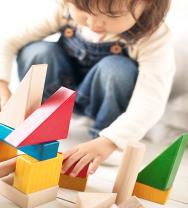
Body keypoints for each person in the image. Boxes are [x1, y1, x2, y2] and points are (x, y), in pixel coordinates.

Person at [0, 0, 175, 177]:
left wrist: (111, 141)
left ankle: (102, 133)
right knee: (37, 51)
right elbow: (8, 41)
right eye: (83, 10)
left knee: (116, 70)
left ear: (150, 5)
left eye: (113, 15)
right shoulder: (63, 12)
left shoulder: (152, 36)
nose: (94, 23)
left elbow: (151, 99)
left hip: (103, 104)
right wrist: (2, 83)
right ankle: (41, 120)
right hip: (59, 94)